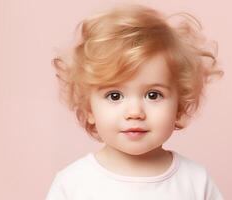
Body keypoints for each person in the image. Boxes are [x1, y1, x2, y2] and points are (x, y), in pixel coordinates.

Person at [46, 4, 225, 200]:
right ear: (89, 108)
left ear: (179, 106)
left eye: (153, 95)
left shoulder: (196, 182)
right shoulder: (72, 184)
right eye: (114, 96)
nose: (134, 112)